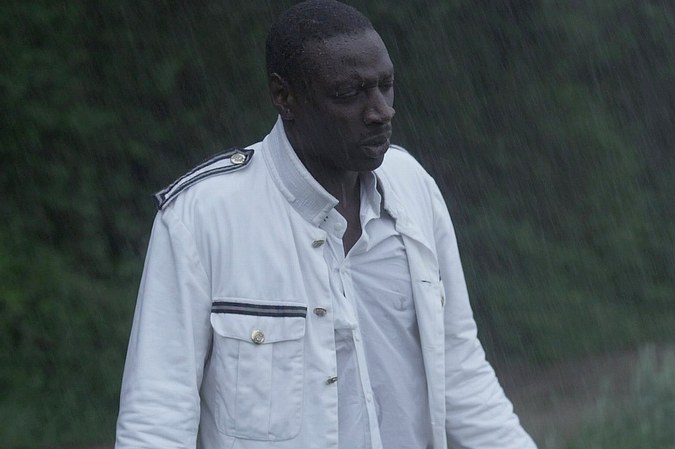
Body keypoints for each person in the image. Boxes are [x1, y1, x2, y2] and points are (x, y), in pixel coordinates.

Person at [115, 1, 537, 448]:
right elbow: (158, 418)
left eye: (386, 86)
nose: (381, 111)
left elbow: (461, 371)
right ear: (284, 96)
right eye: (349, 93)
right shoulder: (201, 218)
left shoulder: (414, 187)